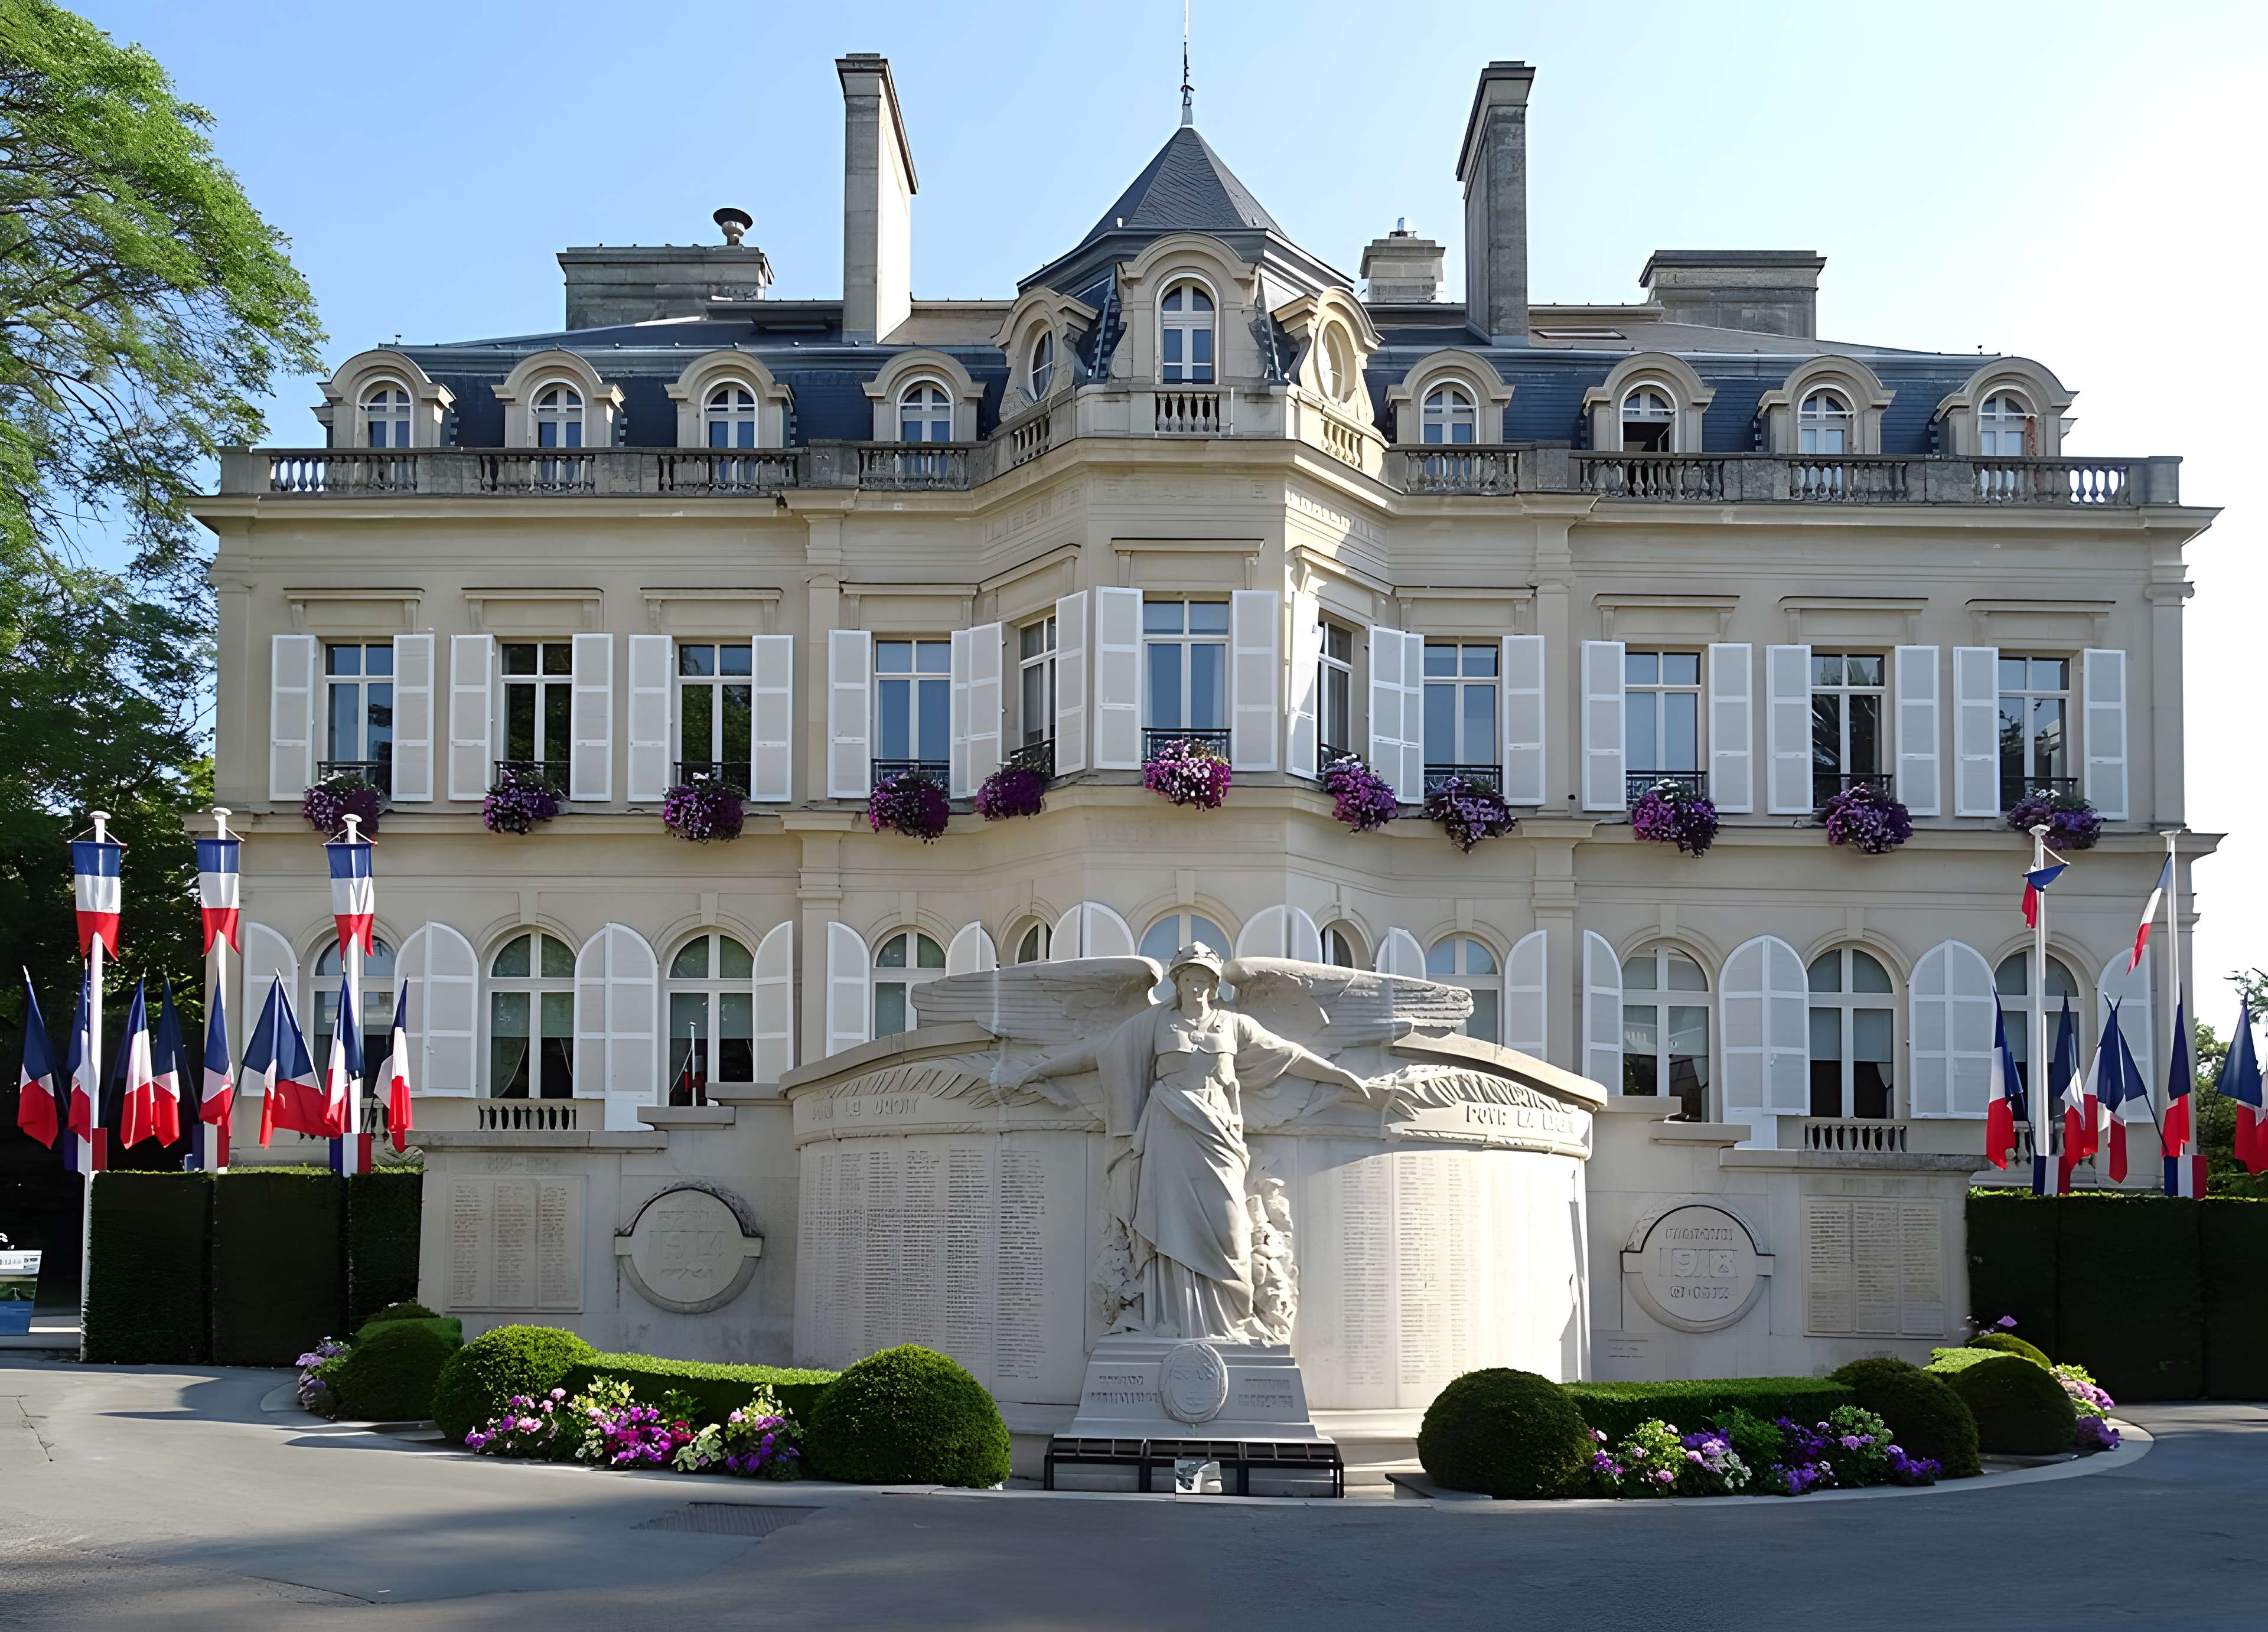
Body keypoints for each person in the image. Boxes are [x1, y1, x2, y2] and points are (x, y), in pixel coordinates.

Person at [1011, 945, 1373, 1341]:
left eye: (1204, 981)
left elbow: (1289, 1054)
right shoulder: (1154, 1024)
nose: (1196, 988)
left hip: (1219, 1134)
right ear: (1177, 984)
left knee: (1231, 1228)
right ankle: (1167, 1321)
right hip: (1167, 1128)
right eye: (1189, 980)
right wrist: (1041, 1070)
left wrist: (1340, 1075)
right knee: (1169, 1223)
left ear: (1214, 986)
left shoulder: (1234, 1024)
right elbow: (1100, 1052)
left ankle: (1233, 1322)